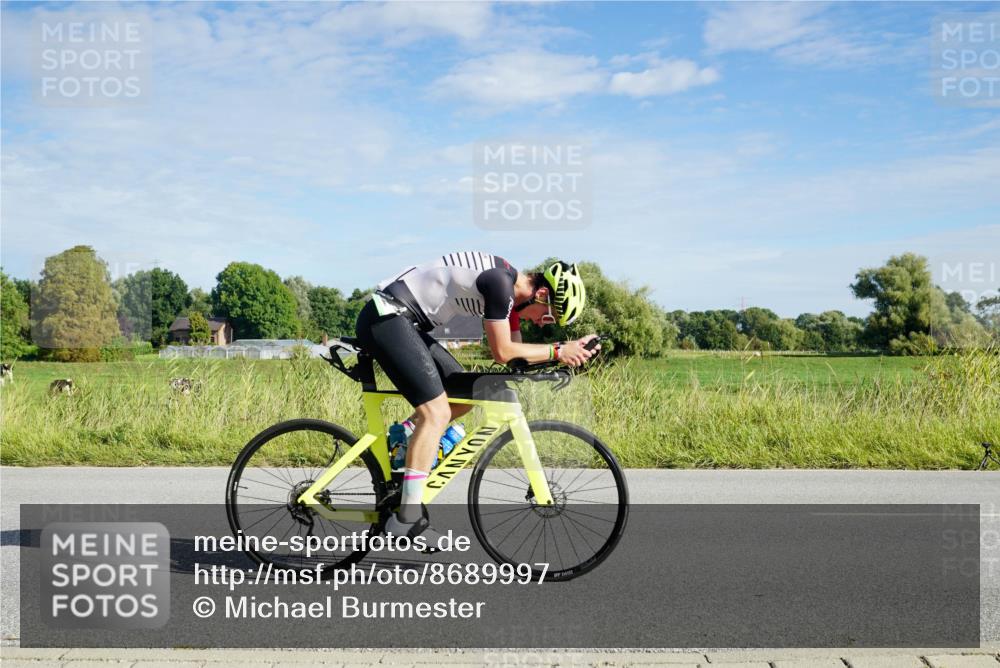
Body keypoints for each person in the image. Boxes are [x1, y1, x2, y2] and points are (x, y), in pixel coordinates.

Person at [354, 252, 599, 547]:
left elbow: (516, 359)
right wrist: (559, 350)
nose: (546, 325)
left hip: (408, 324)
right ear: (542, 293)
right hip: (387, 318)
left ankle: (404, 441)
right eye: (550, 316)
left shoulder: (511, 299)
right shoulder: (499, 284)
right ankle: (405, 518)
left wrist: (565, 356)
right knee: (436, 414)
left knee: (468, 395)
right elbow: (504, 352)